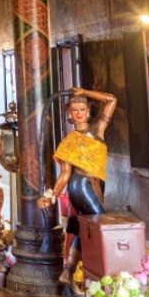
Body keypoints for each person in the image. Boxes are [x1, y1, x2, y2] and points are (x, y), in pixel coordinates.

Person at [37, 87, 117, 286]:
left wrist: (86, 92)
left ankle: (69, 271)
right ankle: (108, 269)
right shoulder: (68, 142)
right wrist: (53, 195)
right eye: (75, 110)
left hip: (96, 183)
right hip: (80, 185)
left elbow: (111, 99)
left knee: (85, 226)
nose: (79, 112)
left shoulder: (98, 128)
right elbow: (65, 174)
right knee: (101, 222)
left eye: (82, 108)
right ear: (69, 114)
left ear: (88, 110)